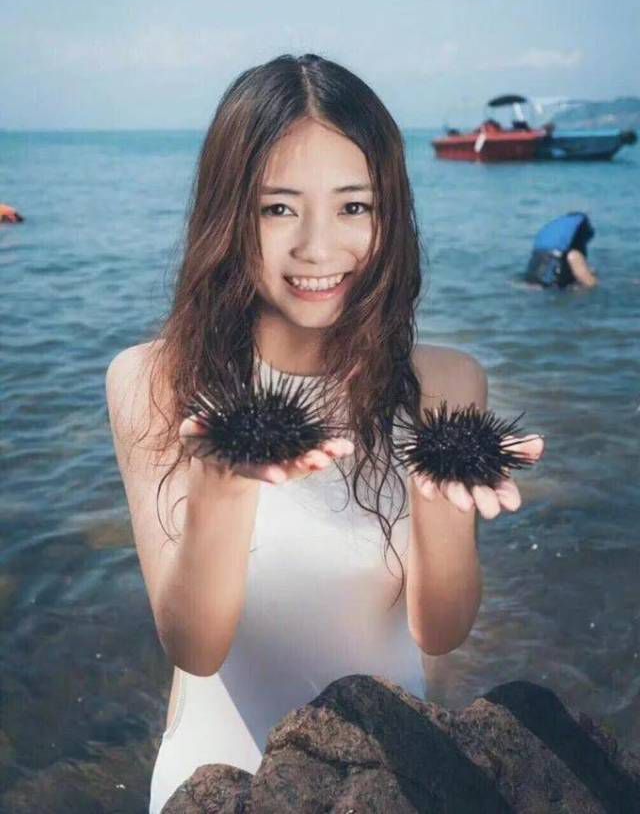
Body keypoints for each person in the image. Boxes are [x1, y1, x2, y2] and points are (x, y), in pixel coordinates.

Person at [105, 54, 543, 813]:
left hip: (389, 775)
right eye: (279, 208)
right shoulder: (154, 381)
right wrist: (222, 493)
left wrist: (436, 505)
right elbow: (195, 649)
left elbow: (440, 633)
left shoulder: (445, 383)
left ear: (388, 214)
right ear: (228, 214)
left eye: (353, 206)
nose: (318, 247)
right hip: (217, 783)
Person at [524, 212, 598, 289]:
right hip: (553, 291)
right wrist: (593, 275)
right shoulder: (574, 255)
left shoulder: (545, 252)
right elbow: (591, 284)